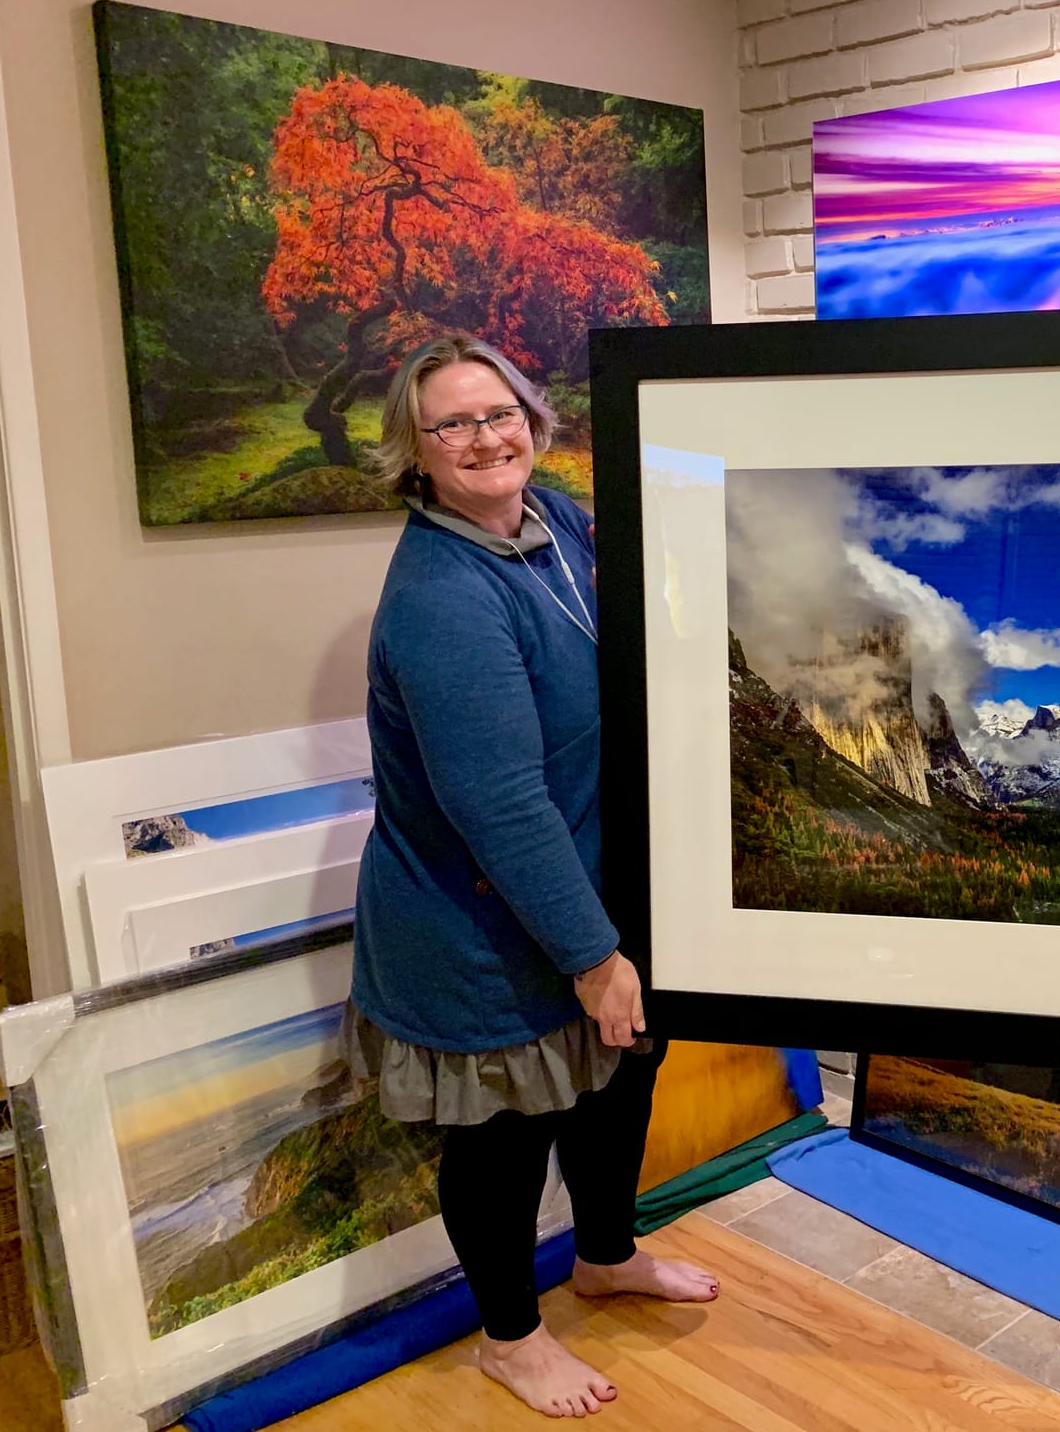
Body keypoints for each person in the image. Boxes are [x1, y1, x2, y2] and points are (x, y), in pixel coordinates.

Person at [344, 335, 717, 1420]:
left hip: (584, 883)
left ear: (531, 417)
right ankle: (510, 1339)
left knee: (616, 1082)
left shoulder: (557, 527)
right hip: (478, 921)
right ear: (414, 454)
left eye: (497, 411)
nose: (484, 437)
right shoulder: (441, 599)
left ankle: (604, 1256)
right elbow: (498, 806)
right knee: (505, 1136)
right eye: (451, 423)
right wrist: (593, 957)